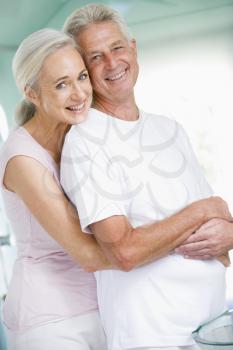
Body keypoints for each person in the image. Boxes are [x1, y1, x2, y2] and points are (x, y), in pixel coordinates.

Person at [61, 4, 232, 350]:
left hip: (212, 325)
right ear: (83, 71)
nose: (112, 64)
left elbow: (220, 225)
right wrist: (203, 210)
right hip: (154, 336)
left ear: (133, 48)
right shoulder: (85, 141)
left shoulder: (169, 129)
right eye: (95, 57)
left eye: (117, 48)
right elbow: (124, 251)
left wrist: (229, 231)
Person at [0, 28, 113, 350]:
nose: (79, 94)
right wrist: (185, 240)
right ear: (31, 93)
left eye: (81, 77)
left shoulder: (82, 135)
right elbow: (88, 254)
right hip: (49, 321)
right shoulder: (22, 159)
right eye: (62, 84)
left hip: (100, 303)